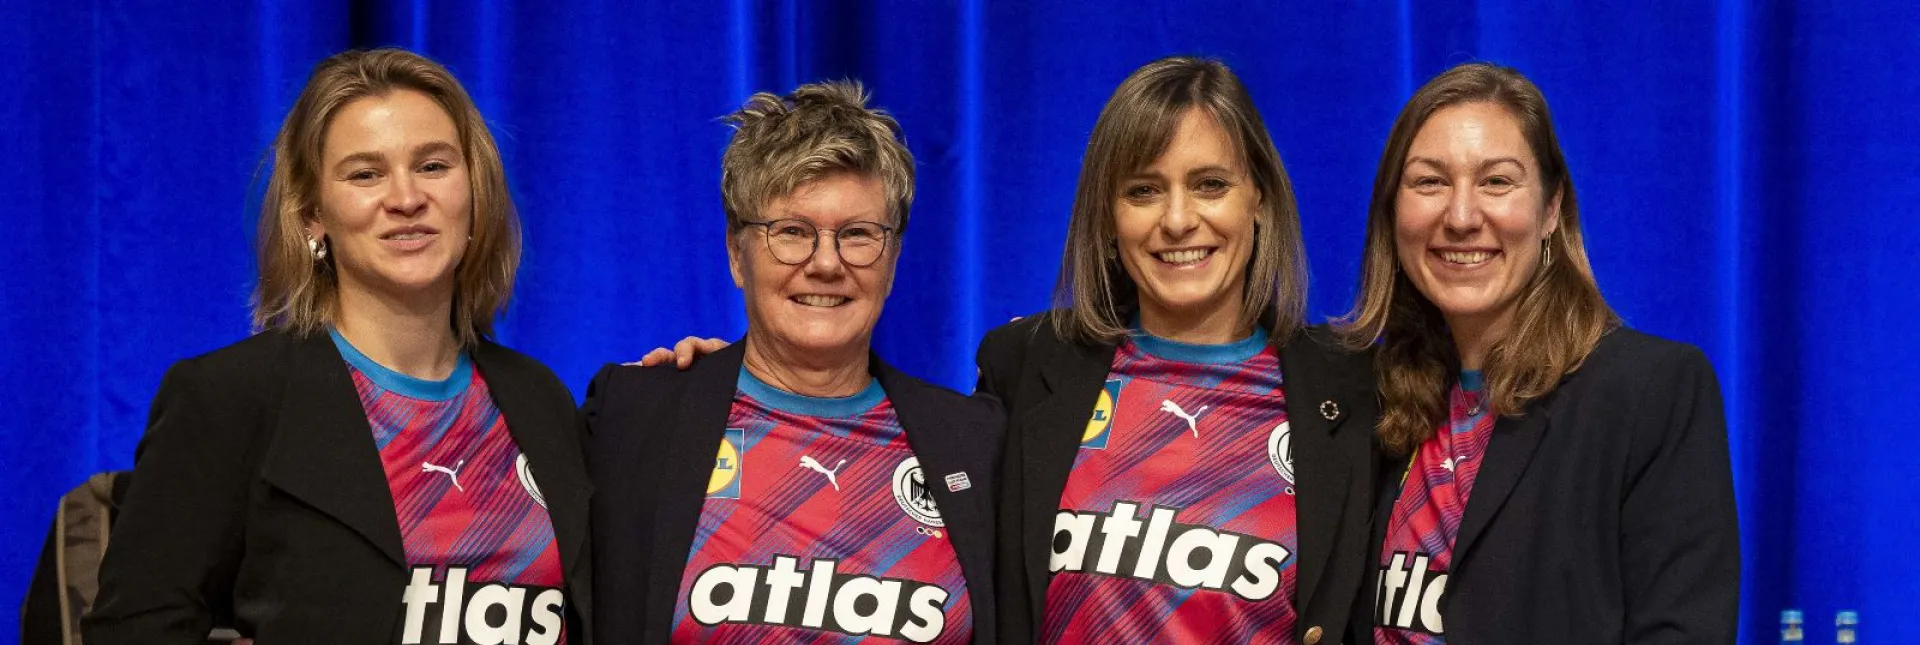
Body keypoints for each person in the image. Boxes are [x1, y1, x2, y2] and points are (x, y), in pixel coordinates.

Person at [642, 56, 1378, 645]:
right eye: (1144, 189)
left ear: (1260, 198)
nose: (1178, 219)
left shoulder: (1348, 393)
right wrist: (706, 383)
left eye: (1210, 184)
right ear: (1108, 214)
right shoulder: (1029, 368)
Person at [84, 49, 591, 645]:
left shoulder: (541, 399)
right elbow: (134, 628)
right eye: (365, 174)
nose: (405, 198)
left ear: (474, 194)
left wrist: (689, 390)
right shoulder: (227, 400)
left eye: (432, 166)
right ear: (310, 216)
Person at [585, 80, 1003, 644]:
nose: (826, 264)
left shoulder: (977, 444)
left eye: (858, 235)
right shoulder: (635, 419)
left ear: (894, 258)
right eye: (792, 232)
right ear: (737, 254)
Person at [1337, 62, 1739, 643]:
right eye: (1429, 182)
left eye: (1497, 182)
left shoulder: (1651, 392)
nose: (1461, 216)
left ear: (1551, 209)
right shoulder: (1365, 398)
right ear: (1392, 212)